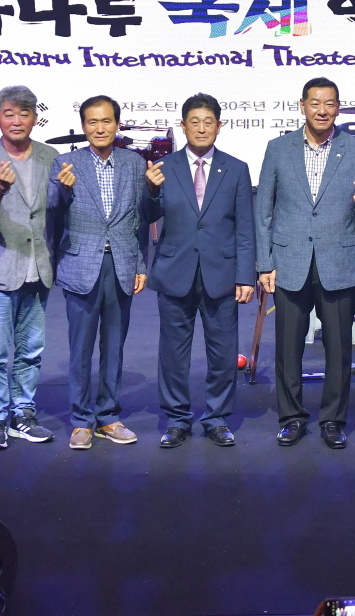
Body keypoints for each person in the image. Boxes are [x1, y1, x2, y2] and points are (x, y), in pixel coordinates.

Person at [255, 77, 355, 449]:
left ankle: (333, 421)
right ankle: (291, 418)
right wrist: (264, 263)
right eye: (315, 103)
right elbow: (263, 211)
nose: (322, 110)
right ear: (302, 105)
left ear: (338, 108)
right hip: (289, 260)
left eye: (329, 104)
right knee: (287, 347)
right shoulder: (278, 148)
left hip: (338, 261)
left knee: (339, 349)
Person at [144, 93, 256, 448]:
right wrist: (150, 190)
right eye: (195, 122)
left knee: (222, 353)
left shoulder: (236, 169)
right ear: (183, 126)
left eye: (209, 122)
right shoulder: (164, 167)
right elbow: (147, 216)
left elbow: (245, 227)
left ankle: (216, 418)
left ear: (219, 126)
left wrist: (245, 276)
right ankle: (177, 420)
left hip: (221, 274)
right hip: (174, 271)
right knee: (173, 355)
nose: (202, 128)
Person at [48, 95, 149, 450]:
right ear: (83, 126)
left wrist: (140, 263)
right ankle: (80, 421)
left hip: (121, 263)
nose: (100, 128)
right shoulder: (66, 162)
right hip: (80, 265)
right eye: (93, 122)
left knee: (114, 346)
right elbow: (51, 209)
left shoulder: (134, 163)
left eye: (107, 121)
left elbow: (140, 219)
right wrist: (62, 190)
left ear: (117, 124)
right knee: (81, 348)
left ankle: (108, 416)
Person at [0, 85, 59, 450]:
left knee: (31, 349)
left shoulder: (51, 157)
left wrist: (68, 190)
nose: (17, 120)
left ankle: (23, 414)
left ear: (35, 118)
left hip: (39, 267)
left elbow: (60, 207)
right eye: (9, 114)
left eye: (24, 113)